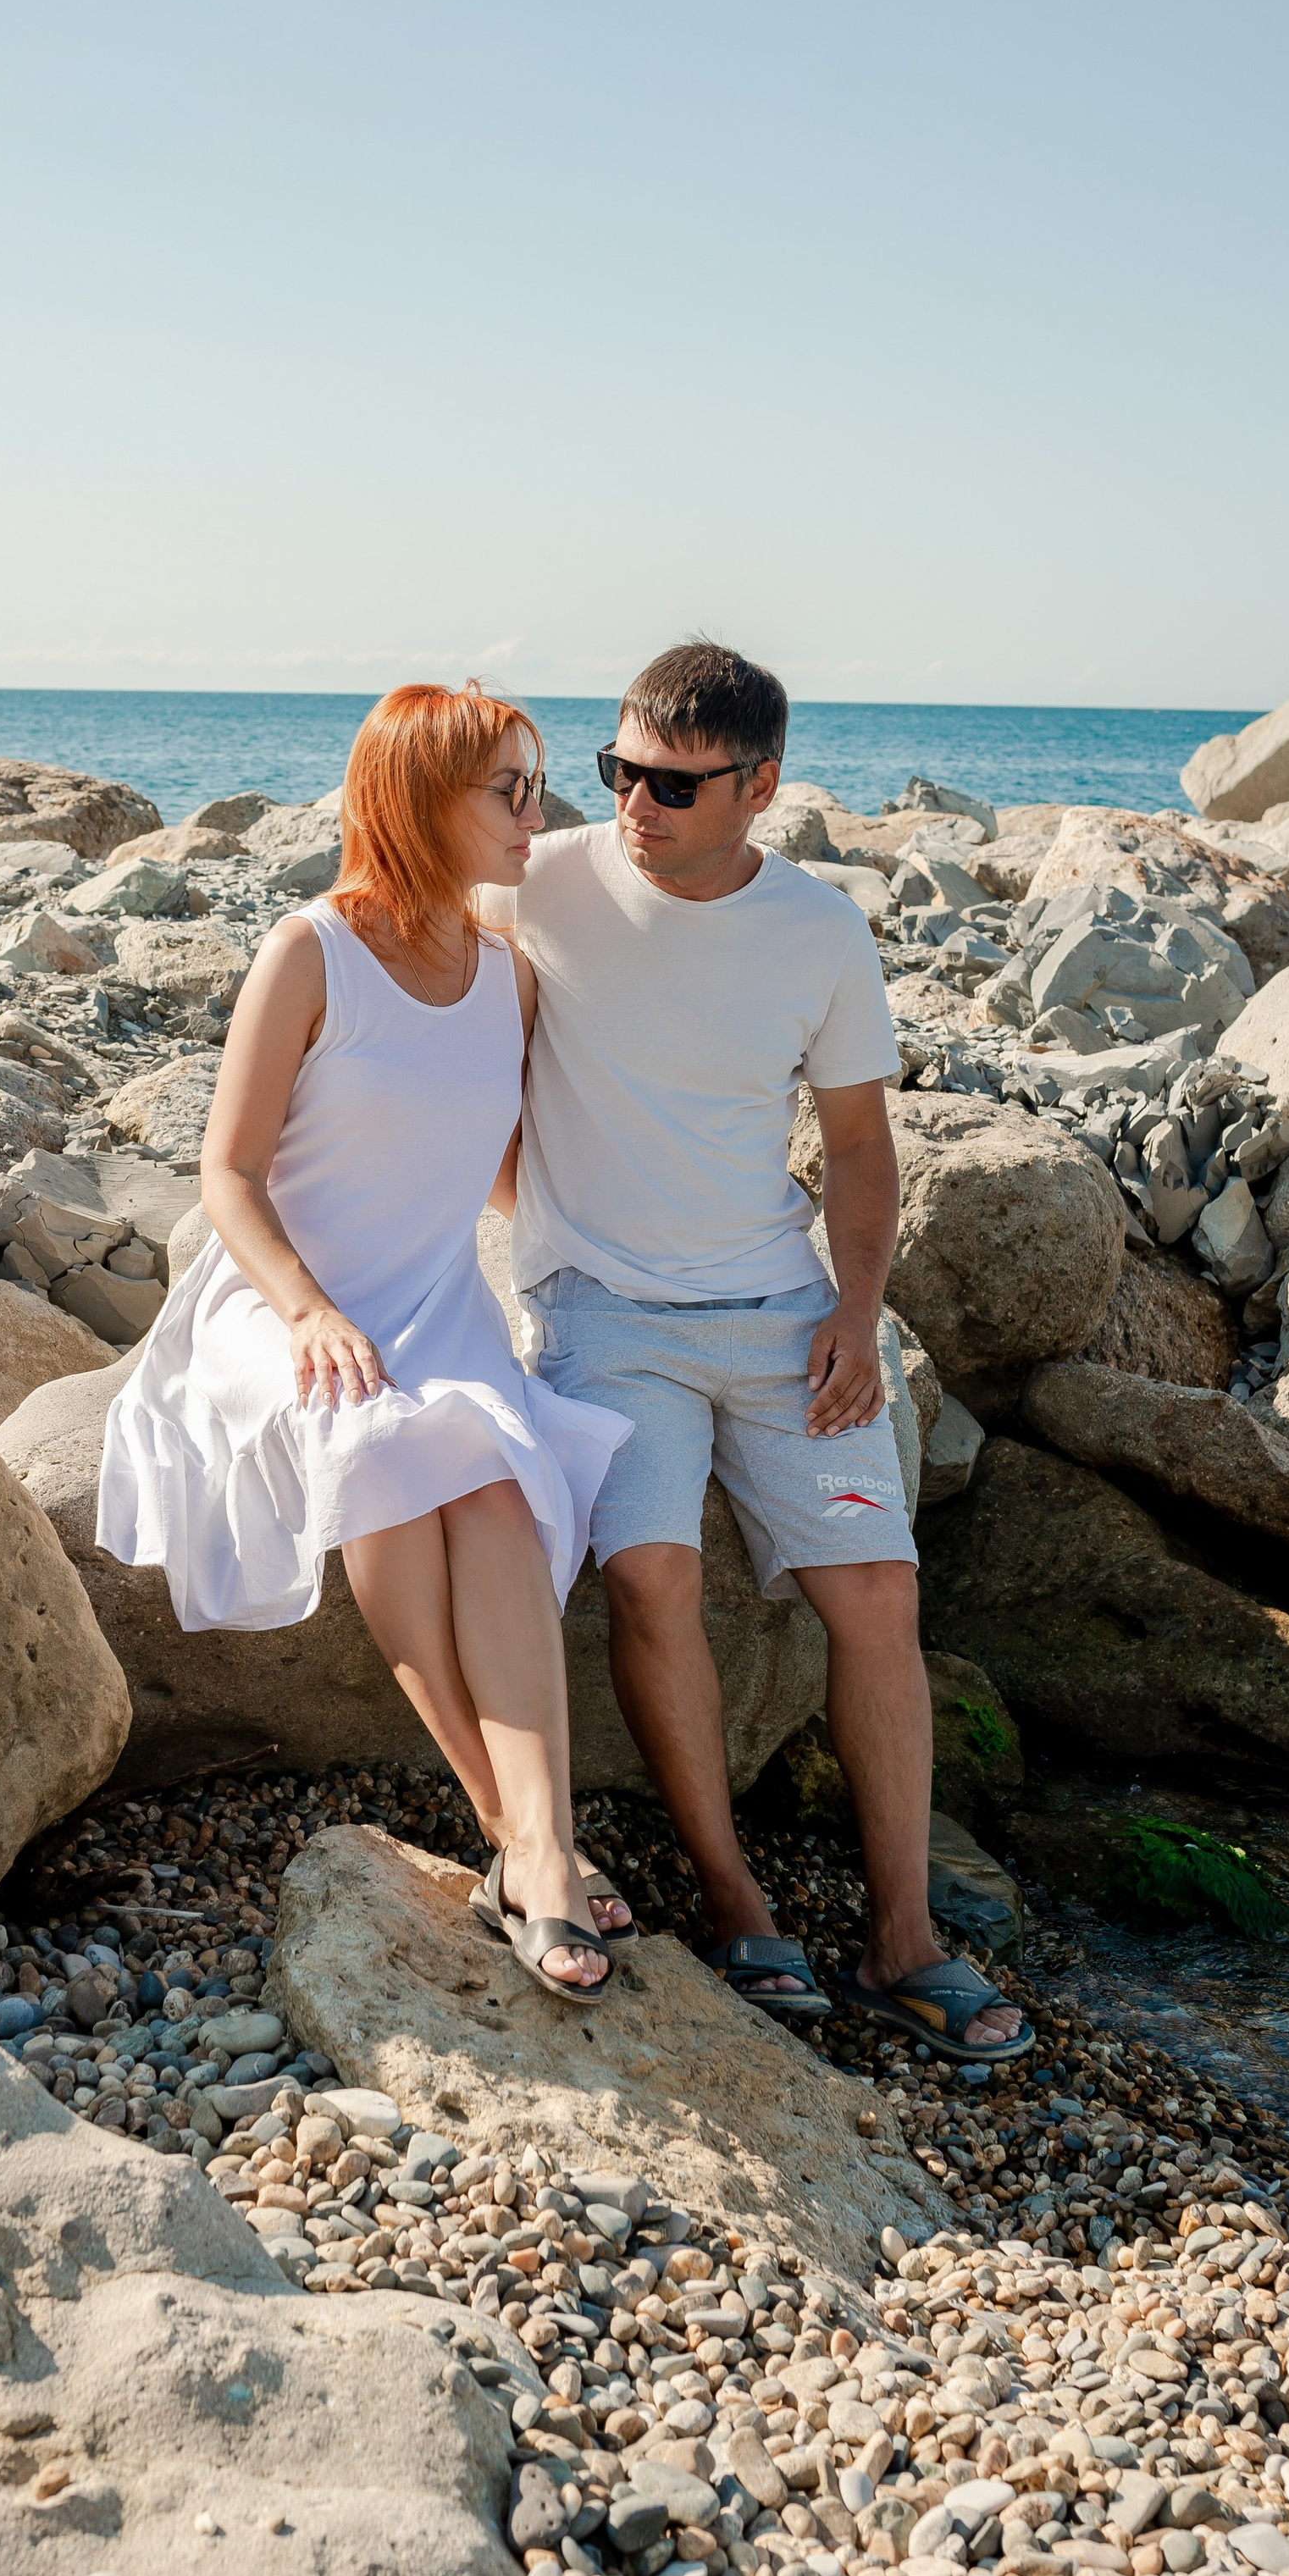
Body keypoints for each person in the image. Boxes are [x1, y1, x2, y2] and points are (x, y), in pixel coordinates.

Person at [486, 638, 1030, 2065]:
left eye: (672, 784)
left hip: (785, 1310)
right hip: (600, 1312)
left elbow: (859, 1143)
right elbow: (397, 949)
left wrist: (857, 1313)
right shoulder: (542, 882)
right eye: (617, 773)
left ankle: (907, 1939)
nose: (634, 807)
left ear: (761, 786)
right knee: (652, 1576)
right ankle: (737, 1905)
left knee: (875, 1600)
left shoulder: (819, 933)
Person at [97, 683, 632, 2001]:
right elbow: (226, 1173)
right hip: (283, 1300)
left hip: (435, 1297)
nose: (536, 816)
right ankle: (530, 1846)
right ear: (414, 799)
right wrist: (309, 1310)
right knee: (391, 1475)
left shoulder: (508, 971)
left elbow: (506, 1176)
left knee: (499, 1491)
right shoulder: (311, 951)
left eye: (539, 785)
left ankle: (533, 1850)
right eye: (507, 789)